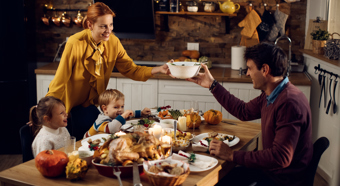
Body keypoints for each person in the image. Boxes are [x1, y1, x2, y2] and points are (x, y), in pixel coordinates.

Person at [187, 42, 313, 186]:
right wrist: (212, 85)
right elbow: (243, 111)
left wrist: (232, 155)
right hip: (270, 172)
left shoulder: (288, 103)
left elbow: (281, 157)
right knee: (221, 179)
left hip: (282, 181)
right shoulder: (272, 93)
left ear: (265, 69)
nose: (247, 73)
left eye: (250, 68)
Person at [45, 2, 169, 140]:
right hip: (66, 107)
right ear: (90, 25)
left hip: (89, 106)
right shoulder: (75, 43)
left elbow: (131, 69)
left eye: (110, 24)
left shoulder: (113, 42)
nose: (108, 30)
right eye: (103, 26)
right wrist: (45, 110)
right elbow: (60, 80)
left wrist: (159, 69)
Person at [84, 89, 150, 138]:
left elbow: (128, 115)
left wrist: (141, 113)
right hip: (86, 143)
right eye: (116, 107)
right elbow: (112, 128)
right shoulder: (101, 121)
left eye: (122, 106)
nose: (120, 110)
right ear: (105, 109)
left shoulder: (114, 116)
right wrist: (123, 115)